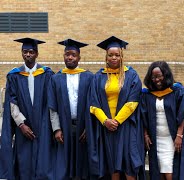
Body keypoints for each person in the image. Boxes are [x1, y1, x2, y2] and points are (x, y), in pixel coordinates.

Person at [88, 36, 144, 180]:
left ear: (121, 56)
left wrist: (117, 121)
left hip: (126, 127)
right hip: (107, 128)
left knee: (129, 165)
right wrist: (106, 121)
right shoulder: (99, 77)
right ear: (106, 57)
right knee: (112, 166)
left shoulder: (131, 75)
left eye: (117, 55)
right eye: (110, 55)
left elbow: (133, 102)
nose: (114, 58)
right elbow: (93, 104)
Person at [0, 38, 55, 179]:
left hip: (43, 125)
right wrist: (21, 124)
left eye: (31, 52)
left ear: (37, 54)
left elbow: (51, 101)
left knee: (43, 163)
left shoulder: (47, 74)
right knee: (24, 163)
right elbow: (12, 102)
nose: (28, 55)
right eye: (25, 52)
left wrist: (48, 125)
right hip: (23, 128)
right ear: (21, 53)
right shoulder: (14, 75)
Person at [48, 39, 95, 179]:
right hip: (64, 127)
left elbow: (94, 104)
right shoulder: (56, 78)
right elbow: (52, 106)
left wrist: (89, 127)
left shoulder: (89, 77)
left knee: (82, 163)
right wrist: (56, 129)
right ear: (63, 56)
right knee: (65, 164)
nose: (70, 57)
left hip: (83, 127)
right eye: (67, 54)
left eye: (73, 54)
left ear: (79, 57)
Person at [140, 61, 184, 180]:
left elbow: (183, 113)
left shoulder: (178, 91)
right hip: (155, 138)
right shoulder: (147, 94)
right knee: (158, 170)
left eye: (159, 76)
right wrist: (145, 134)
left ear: (166, 75)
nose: (156, 79)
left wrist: (179, 135)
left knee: (169, 169)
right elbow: (143, 115)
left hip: (171, 137)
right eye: (153, 77)